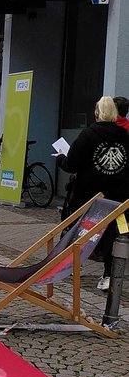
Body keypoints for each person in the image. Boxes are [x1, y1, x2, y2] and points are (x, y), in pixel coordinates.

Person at [60, 95, 129, 292]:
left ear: (97, 113)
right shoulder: (125, 136)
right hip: (118, 195)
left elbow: (72, 163)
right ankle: (108, 275)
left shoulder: (88, 135)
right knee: (112, 235)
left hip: (89, 194)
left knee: (82, 229)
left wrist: (60, 159)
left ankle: (73, 266)